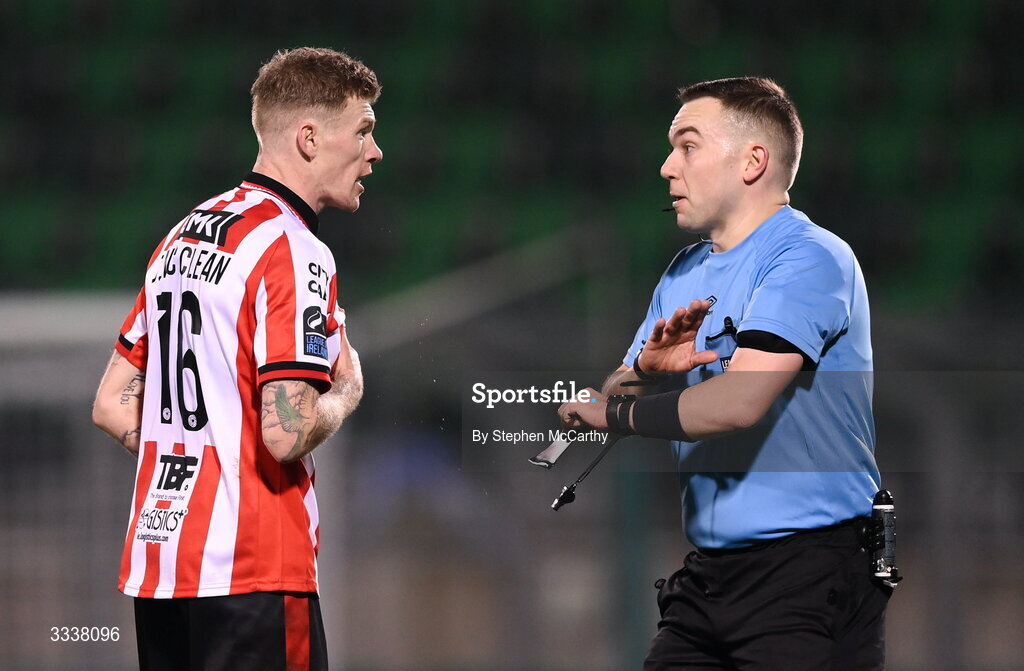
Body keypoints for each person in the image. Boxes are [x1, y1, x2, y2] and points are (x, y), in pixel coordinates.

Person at [558, 77, 891, 670]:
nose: (667, 166)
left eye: (687, 146)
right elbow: (617, 391)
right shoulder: (684, 272)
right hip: (710, 577)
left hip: (810, 576)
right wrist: (642, 370)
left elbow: (738, 403)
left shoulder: (810, 257)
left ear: (753, 161)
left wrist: (617, 412)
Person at [91, 46, 381, 670]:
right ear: (309, 137)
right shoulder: (295, 248)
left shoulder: (181, 236)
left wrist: (195, 453)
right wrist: (346, 393)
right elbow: (288, 432)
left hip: (162, 570)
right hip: (254, 573)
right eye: (364, 130)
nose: (374, 152)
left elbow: (112, 404)